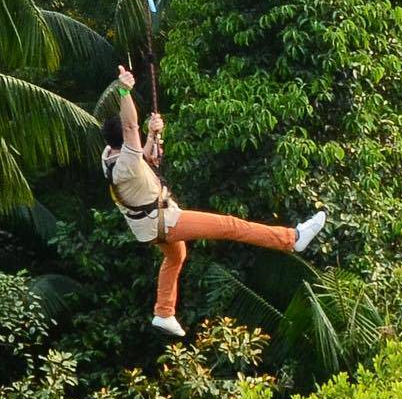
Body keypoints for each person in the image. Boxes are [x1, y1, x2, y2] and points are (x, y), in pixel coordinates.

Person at [101, 65, 327, 337]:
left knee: (176, 256)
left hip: (150, 225)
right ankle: (292, 239)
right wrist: (125, 90)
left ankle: (164, 313)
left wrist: (151, 134)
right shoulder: (125, 161)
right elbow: (129, 126)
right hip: (163, 221)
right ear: (125, 141)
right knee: (230, 225)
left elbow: (144, 158)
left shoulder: (110, 157)